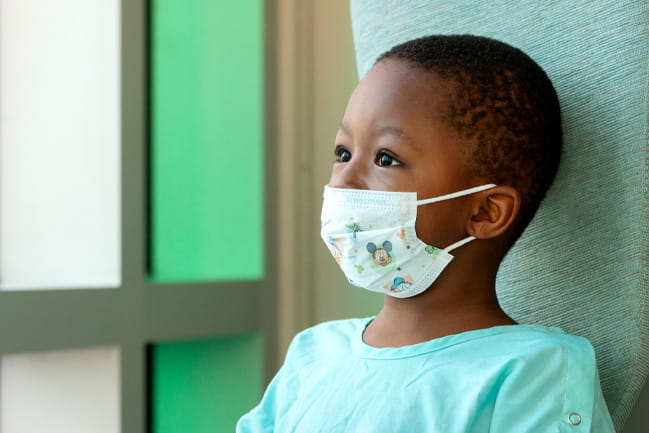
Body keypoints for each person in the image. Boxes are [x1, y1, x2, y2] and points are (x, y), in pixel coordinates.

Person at [237, 34, 615, 432]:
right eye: (343, 153)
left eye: (386, 158)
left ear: (485, 212)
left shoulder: (533, 369)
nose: (344, 181)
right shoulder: (314, 353)